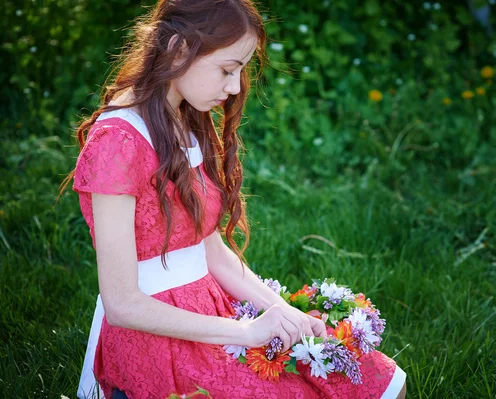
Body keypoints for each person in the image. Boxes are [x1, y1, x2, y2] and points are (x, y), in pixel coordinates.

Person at [62, 0, 407, 398]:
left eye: (240, 71)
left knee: (375, 378)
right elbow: (122, 304)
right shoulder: (119, 142)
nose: (234, 87)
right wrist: (246, 331)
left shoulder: (183, 119)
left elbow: (210, 251)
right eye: (227, 70)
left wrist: (283, 312)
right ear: (178, 50)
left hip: (210, 305)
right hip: (156, 336)